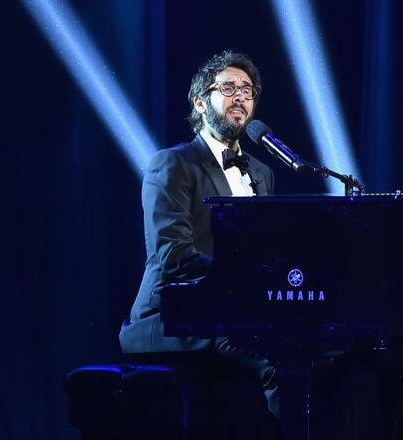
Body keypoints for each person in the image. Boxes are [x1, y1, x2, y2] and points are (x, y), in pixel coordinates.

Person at [118, 50, 278, 432]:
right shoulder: (172, 164)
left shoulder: (263, 173)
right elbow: (172, 253)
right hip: (171, 316)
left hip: (234, 313)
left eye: (248, 90)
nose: (240, 96)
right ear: (200, 102)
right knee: (278, 356)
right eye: (228, 88)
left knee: (327, 345)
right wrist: (247, 278)